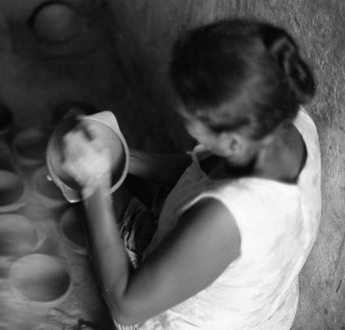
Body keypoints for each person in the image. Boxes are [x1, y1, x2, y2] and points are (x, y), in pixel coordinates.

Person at [60, 19, 321, 330]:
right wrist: (124, 159)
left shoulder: (226, 218)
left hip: (205, 321)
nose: (184, 121)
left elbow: (125, 307)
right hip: (255, 298)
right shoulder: (284, 120)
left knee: (100, 213)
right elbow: (200, 173)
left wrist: (94, 186)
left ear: (232, 141)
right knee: (112, 201)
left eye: (188, 118)